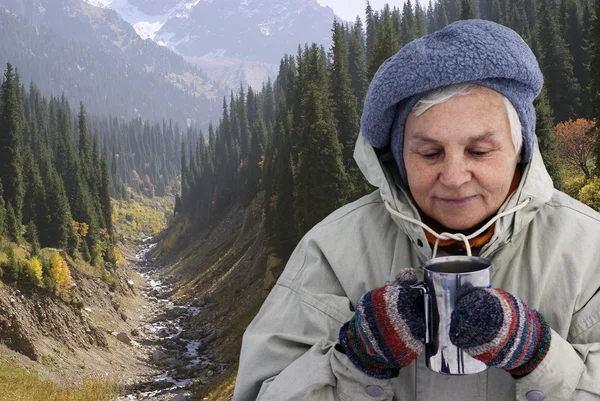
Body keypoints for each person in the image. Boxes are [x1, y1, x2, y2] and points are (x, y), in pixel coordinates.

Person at [232, 19, 600, 401]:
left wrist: (538, 355)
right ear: (399, 158)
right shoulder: (333, 252)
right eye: (429, 153)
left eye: (479, 151)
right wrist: (355, 360)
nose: (454, 177)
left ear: (519, 148)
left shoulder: (590, 249)